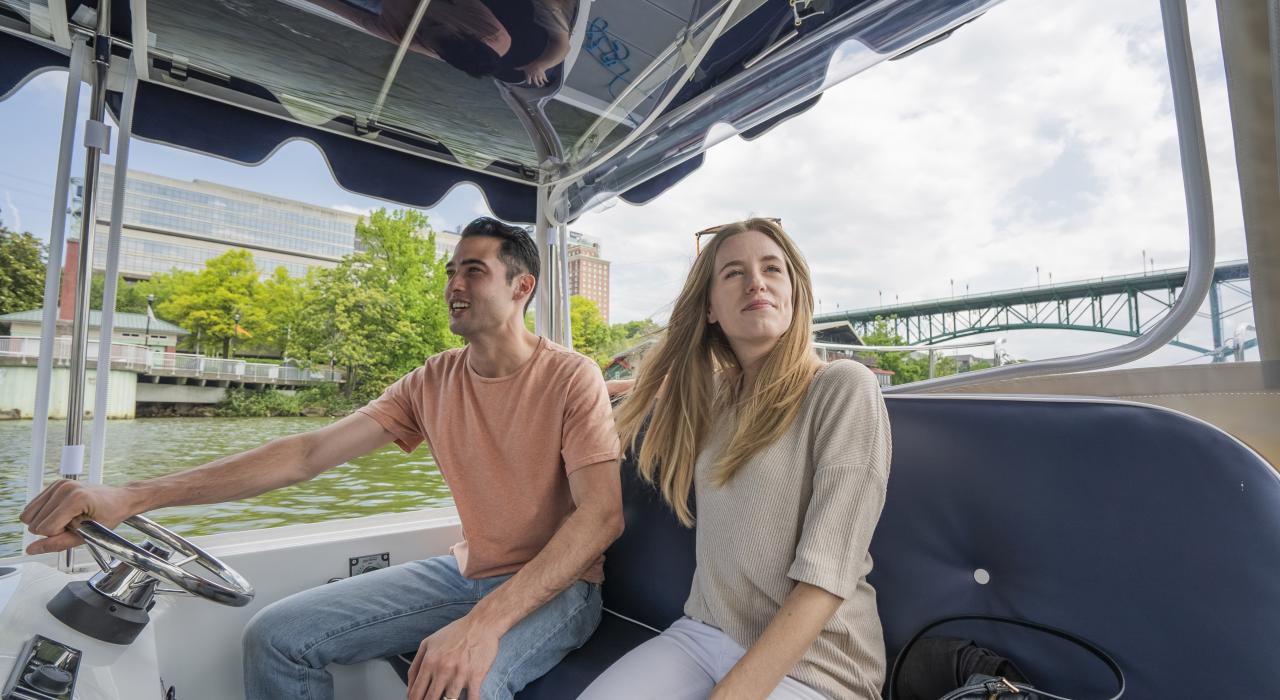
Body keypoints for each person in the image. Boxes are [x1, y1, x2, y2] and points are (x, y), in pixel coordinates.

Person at [20, 216, 624, 700]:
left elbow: (601, 517)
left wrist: (484, 625)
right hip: (467, 573)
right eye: (450, 271)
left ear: (523, 286)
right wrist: (133, 496)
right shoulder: (431, 381)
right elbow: (306, 453)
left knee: (466, 684)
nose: (454, 285)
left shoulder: (571, 377)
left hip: (560, 589)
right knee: (277, 636)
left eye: (474, 270)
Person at [581, 218, 892, 699]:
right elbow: (660, 387)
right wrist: (591, 393)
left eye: (772, 268)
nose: (756, 282)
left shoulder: (844, 387)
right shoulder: (714, 397)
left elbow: (828, 575)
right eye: (733, 273)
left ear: (794, 293)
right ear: (709, 307)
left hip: (817, 664)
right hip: (706, 633)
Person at [303, 0, 573, 85]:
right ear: (462, 33)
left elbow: (361, 19)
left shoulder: (417, 39)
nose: (429, 30)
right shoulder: (492, 31)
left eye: (428, 31)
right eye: (436, 28)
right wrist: (540, 65)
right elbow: (563, 44)